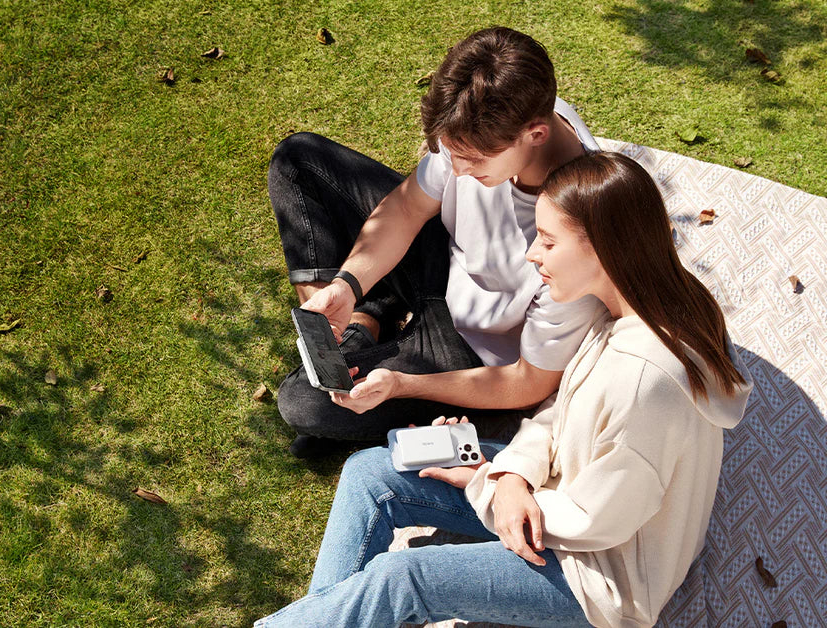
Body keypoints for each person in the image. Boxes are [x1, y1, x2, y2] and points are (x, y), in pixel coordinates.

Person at [254, 152, 753, 627]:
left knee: (404, 578)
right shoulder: (627, 305)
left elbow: (601, 520)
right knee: (371, 475)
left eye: (550, 242)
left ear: (605, 247)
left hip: (600, 575)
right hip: (549, 490)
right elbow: (560, 410)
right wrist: (511, 473)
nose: (533, 254)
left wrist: (485, 484)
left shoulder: (648, 380)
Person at [268, 27, 605, 458]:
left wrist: (401, 385)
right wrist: (347, 283)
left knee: (303, 402)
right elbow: (409, 208)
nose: (458, 172)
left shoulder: (577, 231)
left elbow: (530, 382)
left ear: (535, 134)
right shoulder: (488, 120)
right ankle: (359, 323)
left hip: (470, 345)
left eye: (474, 161)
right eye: (451, 154)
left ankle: (371, 337)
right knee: (298, 160)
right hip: (443, 254)